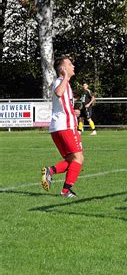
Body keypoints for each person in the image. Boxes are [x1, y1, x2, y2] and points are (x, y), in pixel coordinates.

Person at [41, 56, 84, 198]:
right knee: (78, 159)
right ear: (63, 69)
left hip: (58, 127)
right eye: (70, 64)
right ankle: (65, 191)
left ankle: (50, 171)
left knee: (72, 160)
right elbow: (58, 92)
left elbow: (62, 104)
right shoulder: (60, 81)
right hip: (65, 126)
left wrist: (74, 112)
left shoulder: (65, 84)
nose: (74, 66)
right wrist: (65, 77)